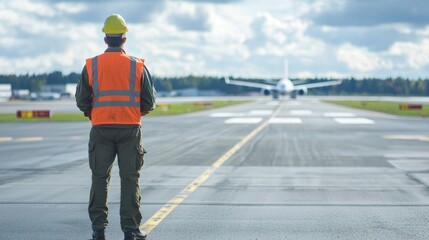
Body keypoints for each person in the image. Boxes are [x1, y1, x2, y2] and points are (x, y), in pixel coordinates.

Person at [75, 14, 155, 240]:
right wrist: (132, 113)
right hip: (130, 129)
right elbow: (149, 101)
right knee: (130, 179)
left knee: (100, 178)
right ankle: (131, 230)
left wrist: (95, 114)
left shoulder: (92, 64)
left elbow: (81, 99)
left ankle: (98, 230)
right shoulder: (137, 65)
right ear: (124, 38)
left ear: (105, 39)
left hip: (101, 129)